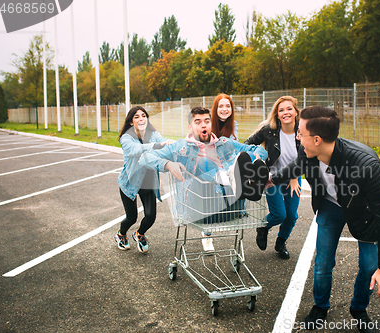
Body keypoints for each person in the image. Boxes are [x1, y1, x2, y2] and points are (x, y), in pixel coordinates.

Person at [269, 105, 380, 332]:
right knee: (323, 263)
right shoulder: (307, 151)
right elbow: (296, 167)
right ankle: (320, 306)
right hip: (330, 205)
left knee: (369, 267)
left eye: (300, 133)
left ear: (317, 139)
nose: (297, 137)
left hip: (364, 214)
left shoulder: (367, 166)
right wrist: (270, 180)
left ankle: (358, 309)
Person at [139, 106, 268, 251]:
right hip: (199, 211)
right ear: (190, 127)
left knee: (247, 157)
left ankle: (239, 179)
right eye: (198, 122)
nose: (203, 125)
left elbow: (259, 149)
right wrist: (167, 163)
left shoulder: (225, 143)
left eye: (207, 121)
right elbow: (144, 158)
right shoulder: (180, 147)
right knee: (204, 162)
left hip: (231, 209)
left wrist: (257, 157)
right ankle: (232, 179)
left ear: (211, 124)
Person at [245, 96, 301, 259]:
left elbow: (307, 158)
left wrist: (294, 176)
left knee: (291, 216)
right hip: (271, 177)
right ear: (277, 114)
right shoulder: (269, 130)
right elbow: (248, 144)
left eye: (289, 109)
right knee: (279, 214)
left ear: (296, 112)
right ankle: (263, 227)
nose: (286, 113)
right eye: (281, 110)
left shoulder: (303, 130)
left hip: (293, 177)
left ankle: (281, 242)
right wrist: (257, 156)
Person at [116, 106, 174, 253]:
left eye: (143, 115)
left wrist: (172, 144)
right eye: (136, 116)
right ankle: (121, 234)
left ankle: (139, 234)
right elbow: (135, 150)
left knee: (150, 216)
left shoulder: (153, 134)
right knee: (131, 217)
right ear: (131, 122)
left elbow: (163, 142)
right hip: (129, 182)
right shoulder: (126, 138)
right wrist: (157, 146)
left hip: (148, 182)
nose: (141, 118)